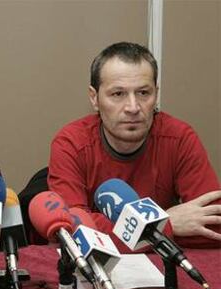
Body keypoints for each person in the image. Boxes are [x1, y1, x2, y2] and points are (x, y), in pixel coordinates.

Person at [48, 42, 221, 252]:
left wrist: (118, 233)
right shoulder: (71, 144)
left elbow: (213, 226)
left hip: (162, 270)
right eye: (118, 94)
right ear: (94, 98)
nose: (133, 107)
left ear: (156, 94)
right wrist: (168, 224)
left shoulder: (179, 138)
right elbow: (76, 231)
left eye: (143, 93)